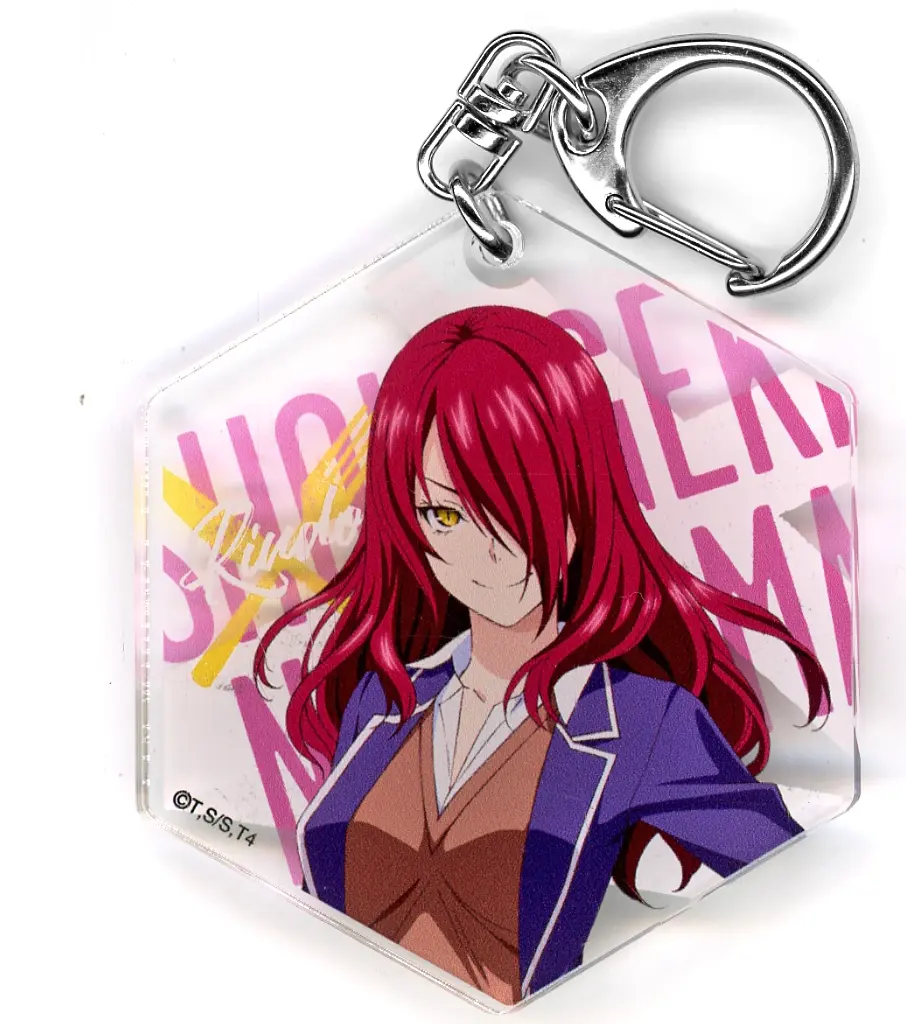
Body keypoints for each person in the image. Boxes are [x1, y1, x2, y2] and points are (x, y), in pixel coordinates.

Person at [255, 305, 830, 1004]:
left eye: (514, 502)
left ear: (582, 493)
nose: (487, 554)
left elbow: (812, 901)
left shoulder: (643, 722)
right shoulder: (386, 698)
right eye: (445, 515)